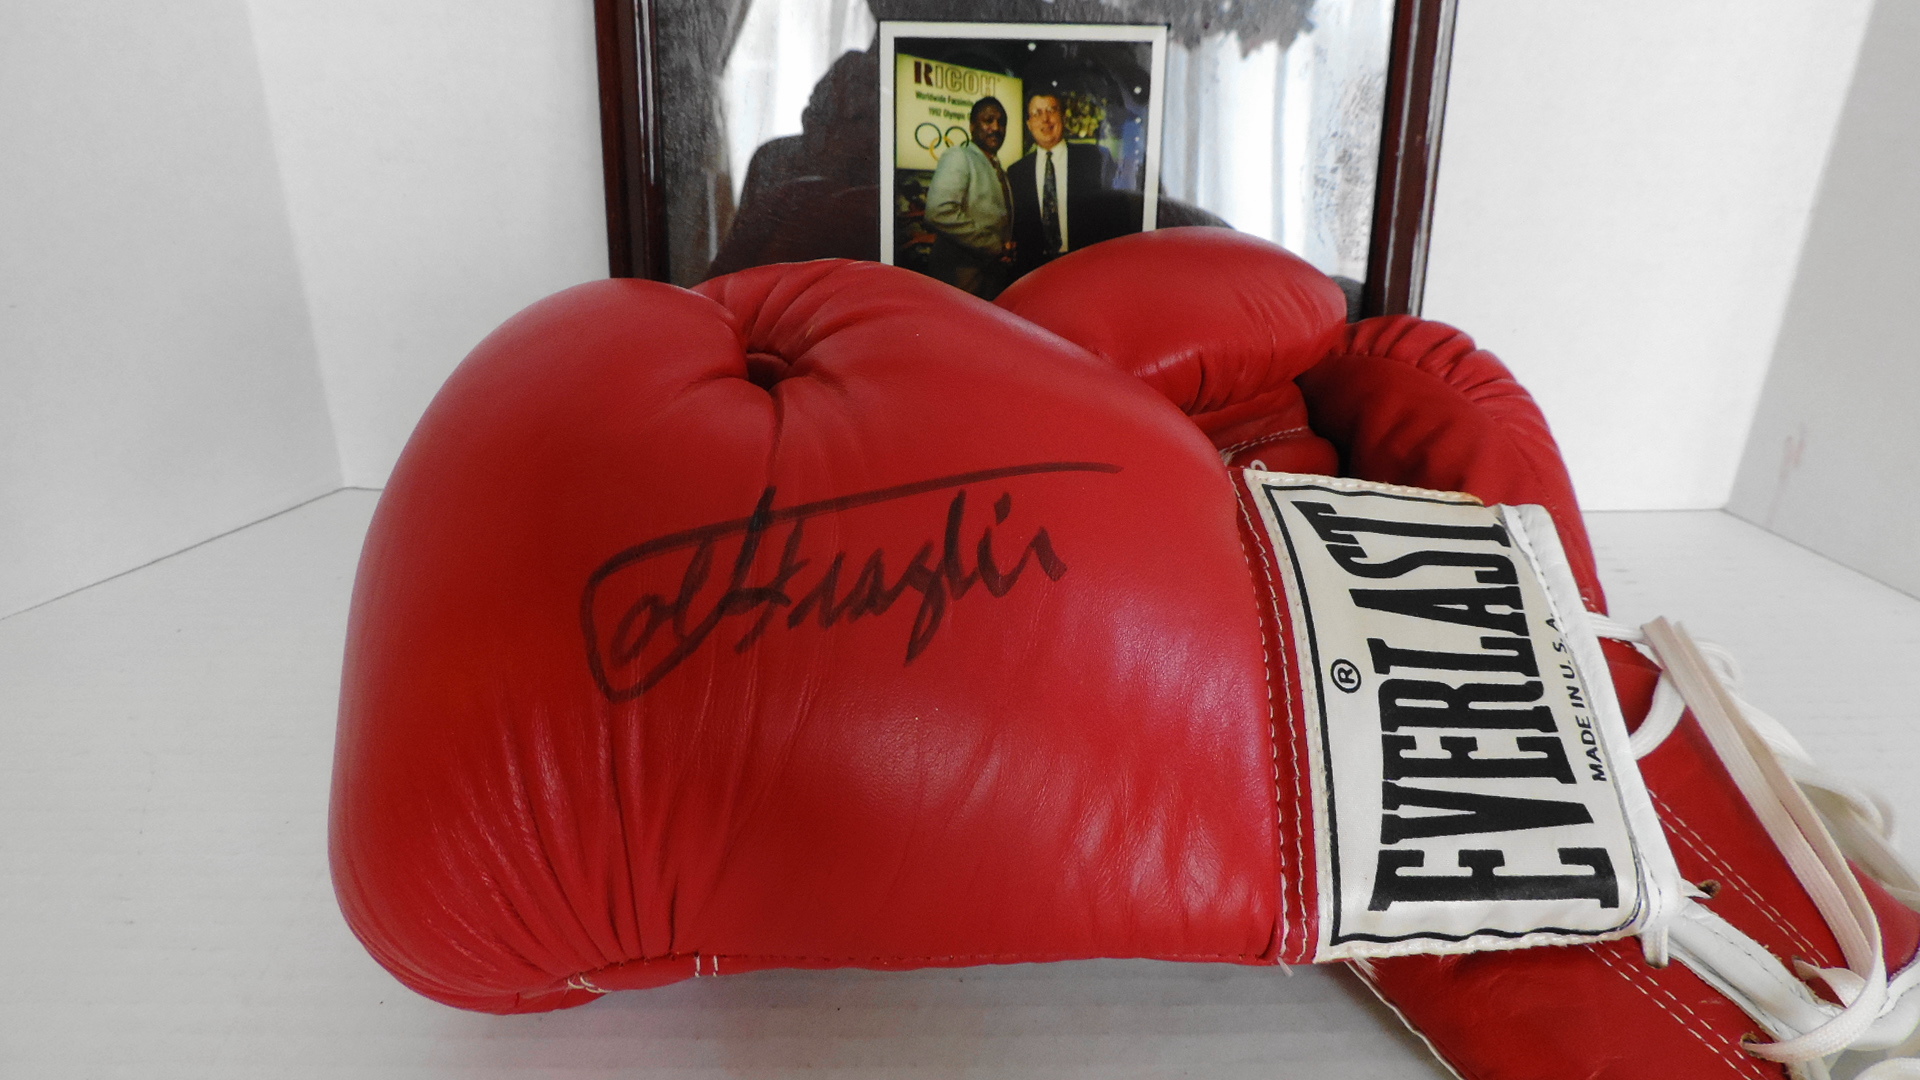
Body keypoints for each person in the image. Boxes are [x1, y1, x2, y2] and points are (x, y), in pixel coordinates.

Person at [1008, 92, 1123, 276]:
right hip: (1033, 272)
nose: (1045, 119)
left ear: (1063, 117)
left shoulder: (1093, 158)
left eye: (1051, 110)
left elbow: (1112, 216)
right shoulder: (1016, 172)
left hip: (1084, 267)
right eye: (1037, 113)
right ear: (1029, 124)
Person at [923, 96, 1016, 298]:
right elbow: (938, 212)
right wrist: (994, 246)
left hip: (991, 281)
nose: (996, 127)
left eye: (1002, 123)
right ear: (972, 126)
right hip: (961, 281)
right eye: (988, 120)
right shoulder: (959, 156)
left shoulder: (998, 167)